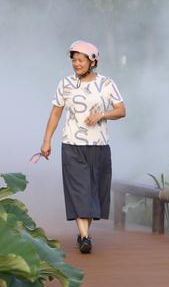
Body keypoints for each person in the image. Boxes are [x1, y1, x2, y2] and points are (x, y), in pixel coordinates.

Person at [39, 41, 126, 254]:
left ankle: (83, 233)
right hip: (72, 145)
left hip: (98, 146)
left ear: (92, 61)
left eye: (81, 60)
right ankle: (85, 237)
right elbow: (56, 113)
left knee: (93, 192)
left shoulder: (106, 84)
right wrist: (46, 140)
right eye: (73, 60)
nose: (76, 64)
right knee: (79, 190)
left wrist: (101, 114)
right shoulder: (65, 84)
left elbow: (121, 110)